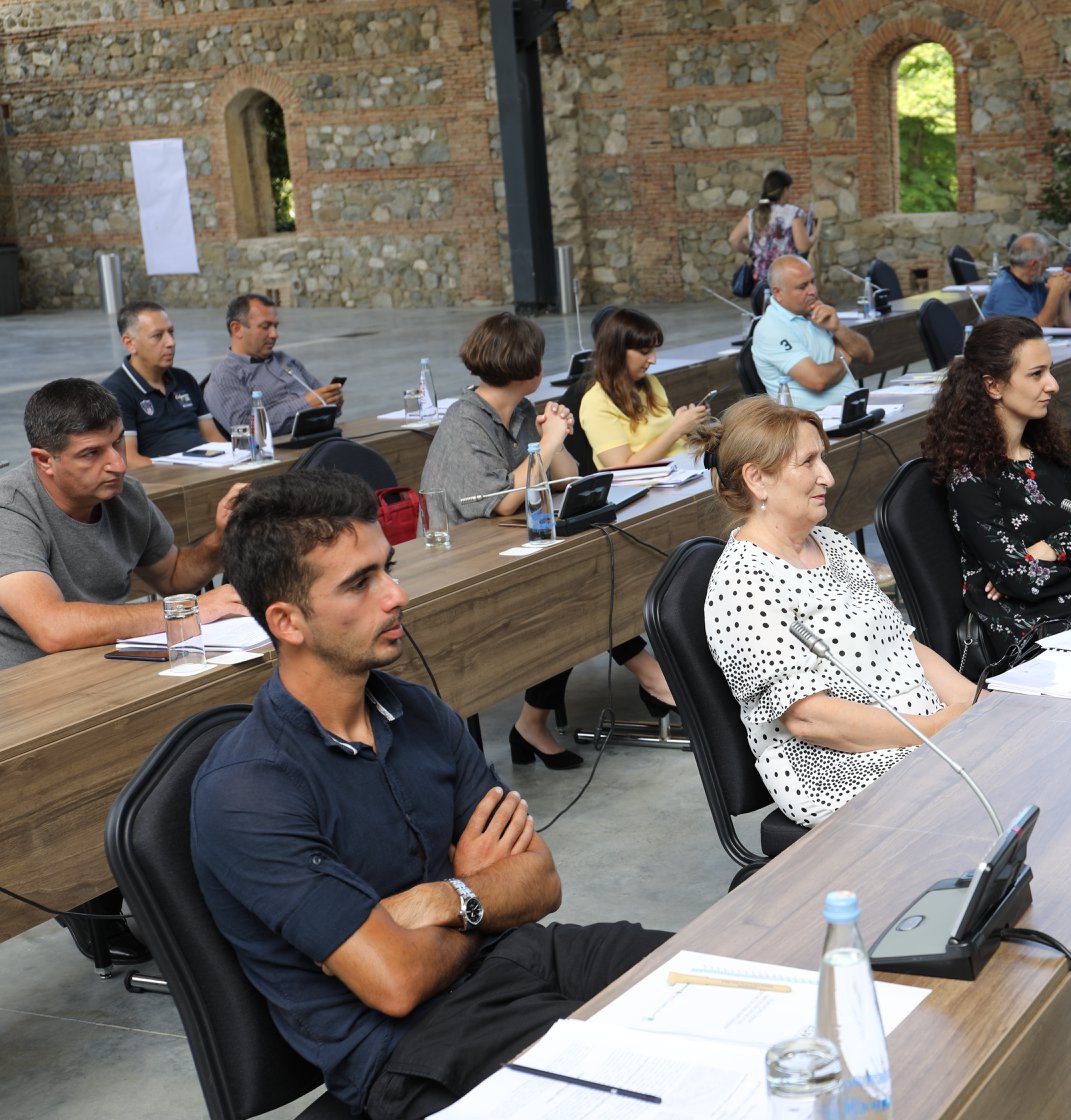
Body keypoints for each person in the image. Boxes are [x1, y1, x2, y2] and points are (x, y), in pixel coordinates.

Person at [193, 470, 669, 1118]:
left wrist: (440, 899)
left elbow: (540, 881)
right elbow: (398, 982)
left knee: (730, 974)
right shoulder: (248, 789)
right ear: (288, 621)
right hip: (416, 1045)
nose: (396, 595)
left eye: (387, 569)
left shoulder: (416, 710)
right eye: (360, 583)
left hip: (524, 959)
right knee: (654, 1083)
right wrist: (478, 895)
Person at [0, 378, 247, 967]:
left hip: (102, 668)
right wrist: (191, 611)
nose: (116, 463)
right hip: (23, 694)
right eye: (92, 453)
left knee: (210, 725)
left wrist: (220, 539)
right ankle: (90, 892)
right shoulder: (11, 508)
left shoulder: (123, 494)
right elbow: (51, 628)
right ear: (44, 460)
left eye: (116, 443)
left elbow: (175, 575)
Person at [699, 397, 977, 827]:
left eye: (822, 459)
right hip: (838, 767)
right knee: (990, 788)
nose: (827, 476)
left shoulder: (830, 542)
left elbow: (901, 644)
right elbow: (809, 719)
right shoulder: (743, 583)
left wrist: (975, 704)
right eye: (808, 462)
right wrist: (936, 729)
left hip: (918, 730)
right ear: (757, 479)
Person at [420, 312, 676, 769]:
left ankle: (535, 724)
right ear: (529, 369)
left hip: (509, 545)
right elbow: (502, 501)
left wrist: (552, 438)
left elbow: (567, 479)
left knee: (582, 575)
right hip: (461, 565)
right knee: (568, 591)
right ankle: (646, 676)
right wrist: (550, 441)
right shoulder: (465, 420)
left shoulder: (520, 411)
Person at [923, 316, 1071, 655]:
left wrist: (1048, 549)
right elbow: (1021, 579)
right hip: (1038, 636)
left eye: (1050, 371)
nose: (1053, 385)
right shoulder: (971, 477)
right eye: (1036, 374)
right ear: (993, 386)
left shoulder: (1048, 452)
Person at [577, 308, 710, 470]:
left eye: (653, 350)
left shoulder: (650, 382)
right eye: (645, 352)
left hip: (683, 469)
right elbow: (623, 469)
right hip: (653, 482)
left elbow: (668, 442)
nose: (653, 360)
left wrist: (688, 425)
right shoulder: (596, 402)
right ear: (617, 352)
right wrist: (676, 429)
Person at [205, 293, 344, 436]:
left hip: (323, 436)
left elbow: (321, 399)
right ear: (237, 329)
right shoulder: (226, 376)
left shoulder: (285, 359)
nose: (274, 334)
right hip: (283, 447)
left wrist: (332, 401)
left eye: (275, 326)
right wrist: (306, 405)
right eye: (265, 327)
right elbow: (244, 428)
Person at [101, 300, 220, 464]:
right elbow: (128, 459)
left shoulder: (184, 379)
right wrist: (184, 471)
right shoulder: (116, 392)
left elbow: (213, 438)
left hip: (209, 467)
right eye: (157, 336)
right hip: (168, 476)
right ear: (130, 343)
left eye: (171, 332)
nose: (171, 342)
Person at [751, 255, 875, 411]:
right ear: (777, 293)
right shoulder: (771, 328)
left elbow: (867, 356)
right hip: (810, 419)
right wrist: (843, 357)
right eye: (802, 287)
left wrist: (838, 328)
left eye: (813, 282)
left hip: (852, 408)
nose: (813, 291)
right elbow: (818, 381)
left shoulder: (816, 311)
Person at [727, 169, 816, 286]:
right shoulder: (793, 213)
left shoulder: (753, 214)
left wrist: (751, 253)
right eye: (790, 189)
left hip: (760, 278)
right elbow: (803, 247)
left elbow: (734, 239)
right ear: (785, 190)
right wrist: (814, 236)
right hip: (786, 278)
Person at [979, 232, 1071, 327]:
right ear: (1034, 264)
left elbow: (1067, 323)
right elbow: (1040, 327)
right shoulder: (1005, 289)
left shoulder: (1036, 282)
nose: (1048, 266)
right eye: (1046, 259)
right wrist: (1055, 291)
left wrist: (1064, 293)